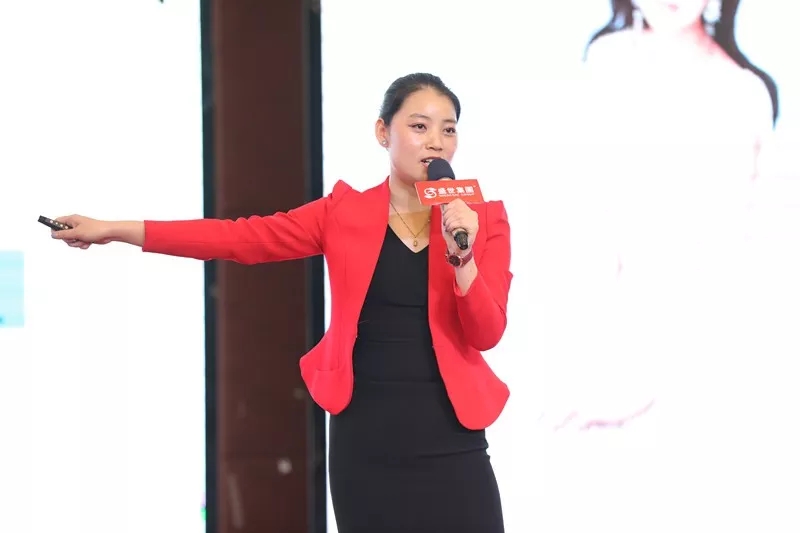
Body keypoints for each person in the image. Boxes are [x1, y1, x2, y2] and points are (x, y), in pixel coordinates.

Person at [51, 72, 512, 533]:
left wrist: (463, 256)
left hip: (452, 435)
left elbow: (486, 333)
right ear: (382, 132)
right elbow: (237, 238)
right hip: (366, 440)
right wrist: (116, 230)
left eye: (448, 130)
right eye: (419, 126)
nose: (436, 142)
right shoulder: (342, 213)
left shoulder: (482, 221)